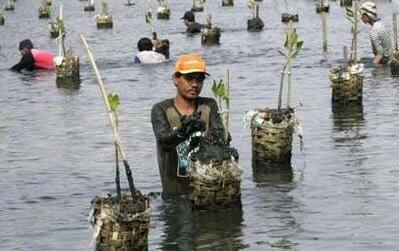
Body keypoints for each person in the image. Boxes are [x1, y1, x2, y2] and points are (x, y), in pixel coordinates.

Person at [151, 54, 224, 197]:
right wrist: (183, 130)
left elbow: (219, 137)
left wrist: (206, 132)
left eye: (200, 79)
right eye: (189, 78)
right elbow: (164, 142)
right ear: (176, 80)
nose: (195, 84)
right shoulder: (161, 109)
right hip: (176, 195)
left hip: (207, 192)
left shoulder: (208, 106)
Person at [359, 2, 393, 66]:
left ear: (367, 16)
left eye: (362, 16)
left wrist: (374, 65)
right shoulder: (381, 24)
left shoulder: (374, 31)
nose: (361, 18)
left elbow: (380, 53)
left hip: (384, 60)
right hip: (390, 57)